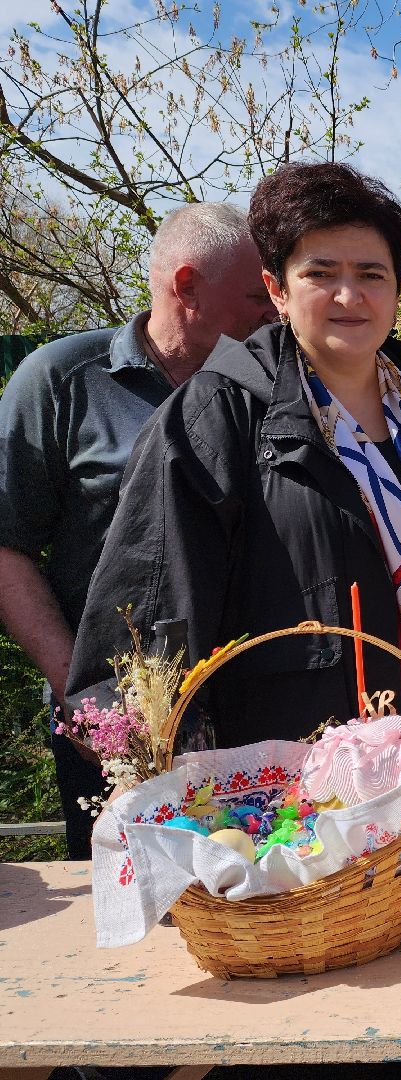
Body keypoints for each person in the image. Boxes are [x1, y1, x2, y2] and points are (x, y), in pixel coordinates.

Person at [66, 162, 401, 749]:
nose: (349, 295)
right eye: (321, 273)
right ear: (277, 289)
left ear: (397, 285)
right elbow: (147, 628)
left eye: (371, 272)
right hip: (288, 792)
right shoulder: (217, 416)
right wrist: (169, 778)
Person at [0, 202, 274, 858]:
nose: (272, 310)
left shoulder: (261, 385)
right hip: (113, 723)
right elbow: (6, 550)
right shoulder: (63, 382)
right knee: (132, 901)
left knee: (258, 893)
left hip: (249, 714)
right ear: (186, 288)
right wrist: (83, 696)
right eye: (253, 295)